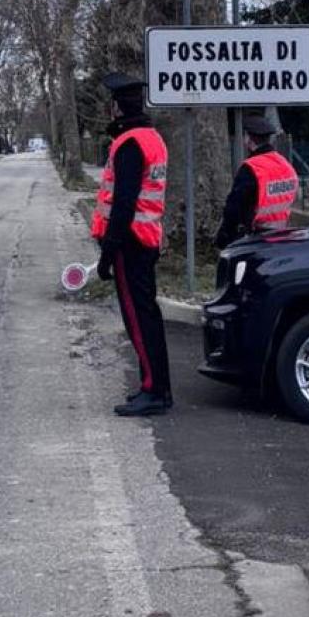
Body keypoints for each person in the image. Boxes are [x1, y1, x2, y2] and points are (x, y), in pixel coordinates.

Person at [91, 72, 173, 417]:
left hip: (130, 243)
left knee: (139, 320)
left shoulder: (128, 145)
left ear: (115, 108)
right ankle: (158, 387)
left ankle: (153, 391)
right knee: (148, 315)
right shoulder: (154, 138)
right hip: (147, 237)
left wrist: (108, 253)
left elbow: (123, 204)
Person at [214, 114, 299, 250]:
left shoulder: (251, 167)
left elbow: (234, 208)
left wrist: (224, 237)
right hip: (282, 236)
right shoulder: (285, 164)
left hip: (255, 238)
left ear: (248, 139)